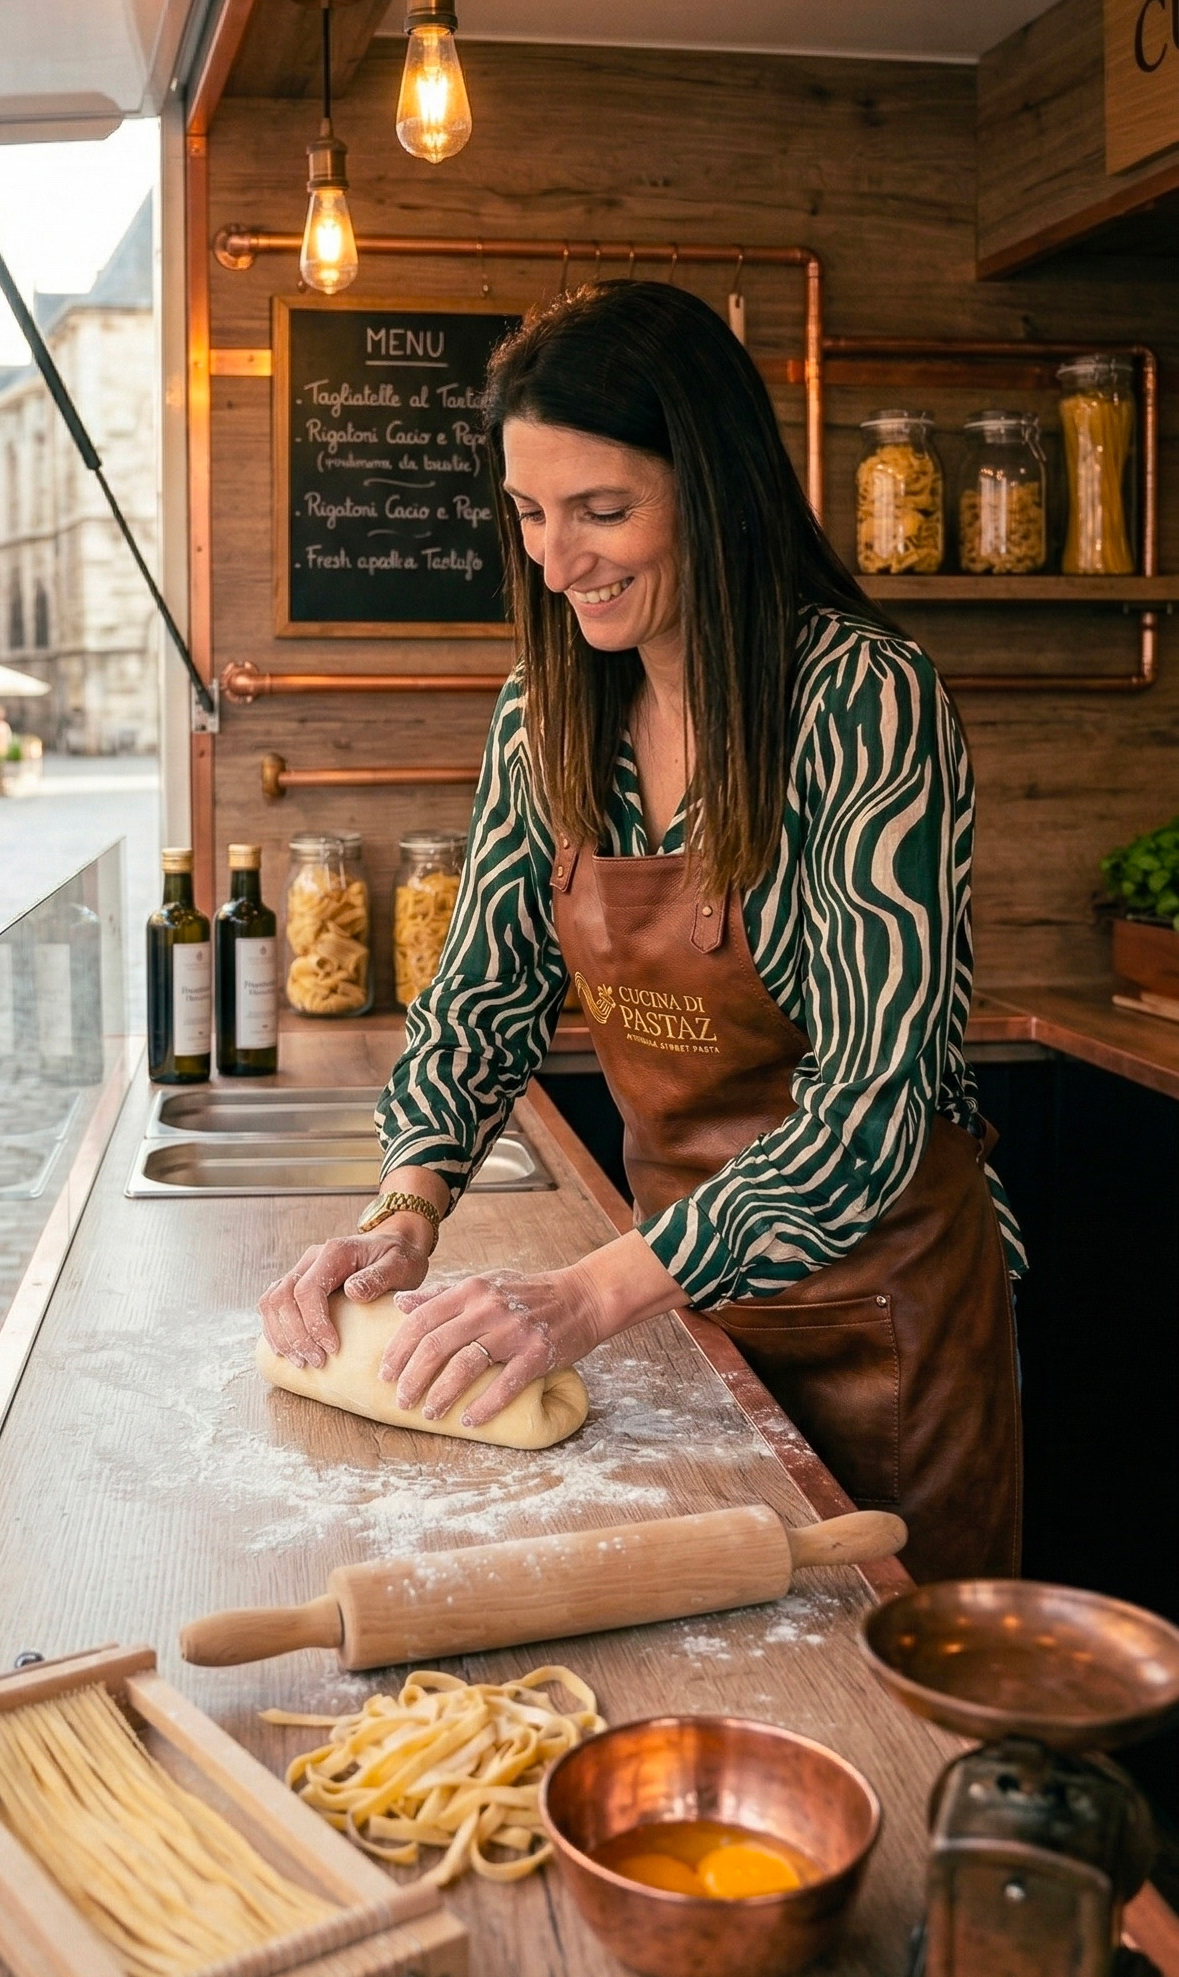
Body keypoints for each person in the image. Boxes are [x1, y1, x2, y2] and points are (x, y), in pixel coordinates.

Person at [259, 282, 1024, 1583]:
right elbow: (479, 1004)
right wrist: (406, 1209)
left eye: (603, 511)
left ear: (714, 490)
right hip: (678, 1303)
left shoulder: (863, 705)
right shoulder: (545, 715)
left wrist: (589, 1291)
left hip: (885, 1321)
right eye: (532, 516)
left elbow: (872, 1112)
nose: (559, 562)